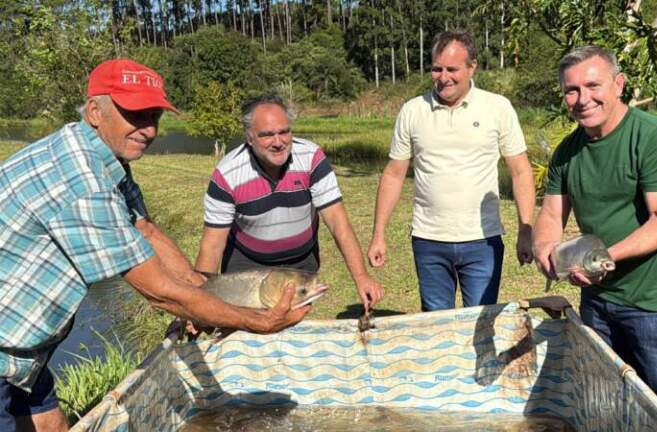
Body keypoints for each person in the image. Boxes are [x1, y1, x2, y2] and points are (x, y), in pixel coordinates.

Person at [0, 60, 309, 431]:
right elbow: (161, 294)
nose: (148, 129)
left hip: (23, 351)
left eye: (154, 115)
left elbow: (145, 229)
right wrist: (259, 320)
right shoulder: (83, 183)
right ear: (95, 112)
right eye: (135, 115)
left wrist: (203, 294)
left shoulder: (97, 154)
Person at [532, 46, 657, 431]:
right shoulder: (567, 152)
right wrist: (544, 248)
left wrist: (600, 259)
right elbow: (552, 214)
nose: (582, 98)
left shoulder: (655, 139)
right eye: (571, 90)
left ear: (619, 84)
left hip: (656, 301)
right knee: (604, 401)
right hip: (598, 300)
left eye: (593, 85)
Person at [366, 30, 535, 312]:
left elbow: (520, 171)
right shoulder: (412, 111)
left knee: (480, 322)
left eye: (452, 69)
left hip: (483, 242)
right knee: (436, 323)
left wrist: (525, 230)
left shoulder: (497, 108)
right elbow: (394, 174)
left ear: (472, 67)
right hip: (429, 240)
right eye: (436, 68)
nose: (443, 77)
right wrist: (379, 233)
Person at [194, 94, 384, 311]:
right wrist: (197, 303)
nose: (278, 142)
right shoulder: (227, 175)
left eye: (284, 132)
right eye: (266, 135)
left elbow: (338, 223)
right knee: (248, 330)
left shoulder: (312, 158)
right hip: (248, 267)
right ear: (249, 137)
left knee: (292, 330)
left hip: (300, 264)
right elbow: (212, 245)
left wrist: (361, 277)